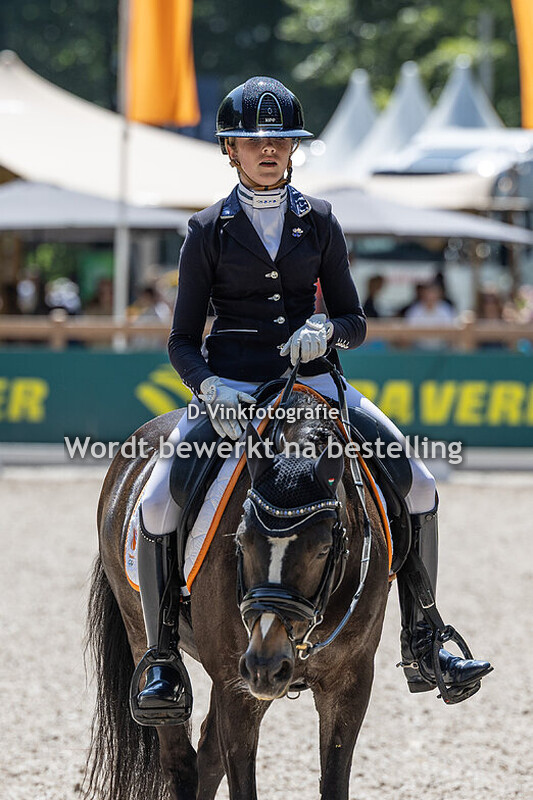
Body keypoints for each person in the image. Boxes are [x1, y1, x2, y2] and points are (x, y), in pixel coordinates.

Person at [133, 76, 491, 723]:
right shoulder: (207, 229)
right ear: (230, 149)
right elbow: (182, 341)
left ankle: (426, 636)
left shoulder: (319, 220)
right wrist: (209, 387)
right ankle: (161, 659)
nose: (268, 150)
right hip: (234, 390)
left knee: (418, 485)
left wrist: (328, 329)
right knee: (158, 502)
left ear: (293, 148)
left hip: (315, 384)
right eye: (254, 141)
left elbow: (355, 320)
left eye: (279, 140)